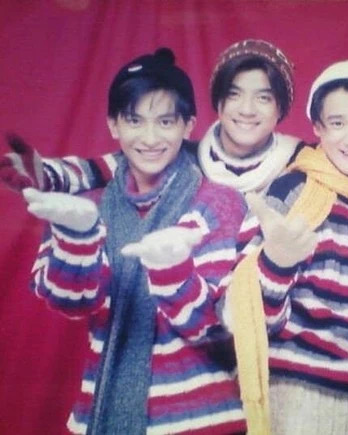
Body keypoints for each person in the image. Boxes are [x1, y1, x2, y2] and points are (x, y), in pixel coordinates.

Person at [23, 48, 247, 434]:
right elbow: (72, 304)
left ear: (188, 125)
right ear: (113, 125)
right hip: (101, 413)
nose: (150, 138)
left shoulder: (218, 203)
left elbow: (216, 328)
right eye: (134, 120)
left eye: (165, 121)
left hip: (202, 420)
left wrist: (171, 269)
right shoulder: (84, 207)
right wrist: (77, 236)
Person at [229, 59, 348, 435]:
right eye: (338, 123)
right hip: (293, 397)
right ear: (317, 128)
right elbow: (238, 314)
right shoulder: (291, 192)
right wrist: (276, 263)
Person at [0, 39, 302, 195]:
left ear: (281, 108)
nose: (247, 109)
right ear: (218, 103)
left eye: (264, 97)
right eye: (234, 95)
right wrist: (46, 174)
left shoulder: (302, 161)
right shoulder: (183, 156)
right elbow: (102, 168)